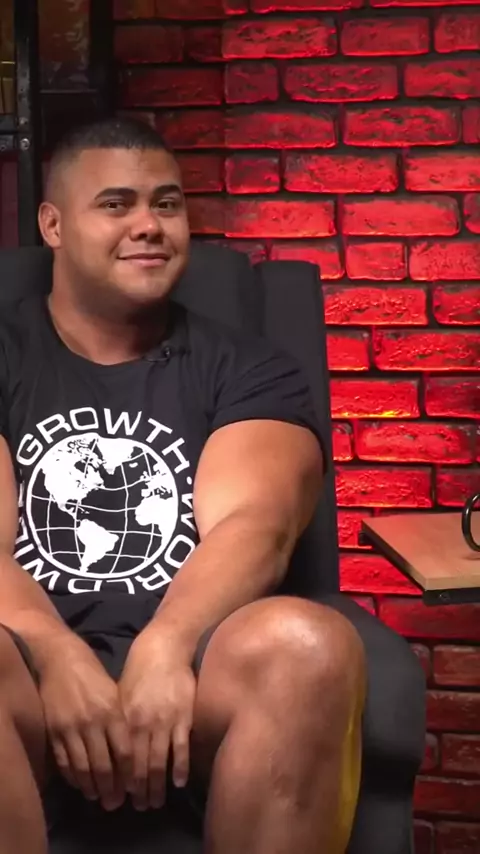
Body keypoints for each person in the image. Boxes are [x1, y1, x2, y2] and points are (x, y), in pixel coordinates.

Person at [0, 117, 365, 854]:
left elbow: (256, 527)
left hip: (195, 676)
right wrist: (57, 653)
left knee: (311, 646)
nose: (149, 225)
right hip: (27, 681)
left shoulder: (250, 367)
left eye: (166, 204)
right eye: (116, 204)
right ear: (53, 226)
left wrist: (166, 648)